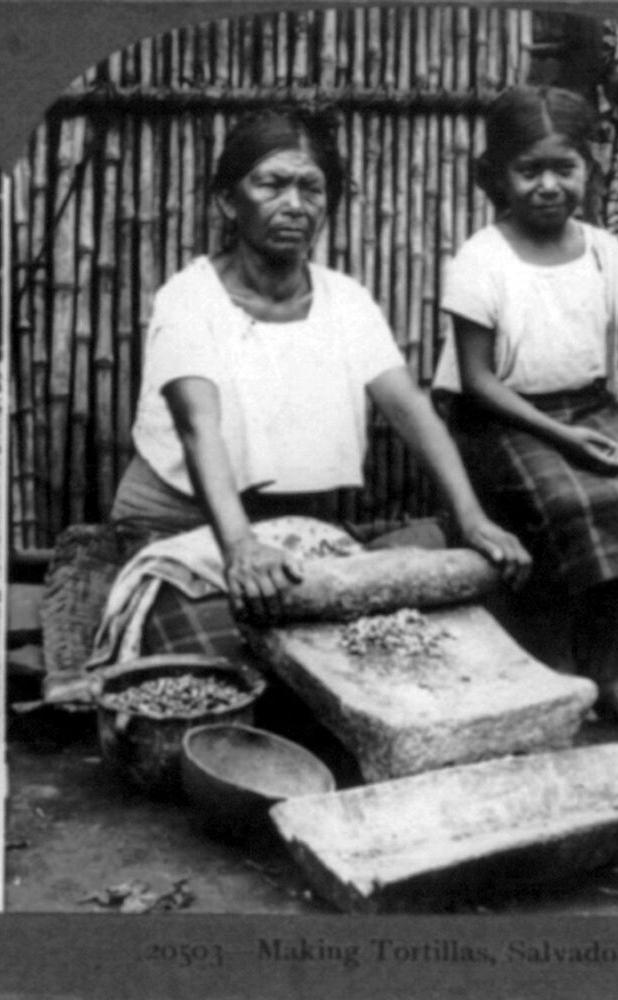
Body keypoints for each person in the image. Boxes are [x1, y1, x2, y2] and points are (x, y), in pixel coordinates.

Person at [109, 109, 530, 657]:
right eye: (271, 184)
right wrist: (239, 547)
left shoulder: (345, 301)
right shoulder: (189, 300)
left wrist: (472, 519)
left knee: (368, 651)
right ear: (227, 201)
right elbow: (198, 428)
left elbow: (411, 411)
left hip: (296, 528)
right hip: (182, 525)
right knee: (230, 656)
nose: (293, 204)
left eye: (311, 188)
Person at [432, 86, 618, 731]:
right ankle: (554, 667)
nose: (548, 185)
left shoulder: (606, 252)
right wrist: (564, 437)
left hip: (587, 408)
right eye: (530, 170)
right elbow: (474, 380)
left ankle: (605, 667)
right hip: (497, 416)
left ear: (591, 169)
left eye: (566, 167)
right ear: (498, 176)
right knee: (568, 505)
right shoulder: (482, 260)